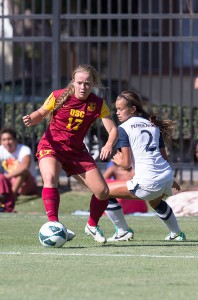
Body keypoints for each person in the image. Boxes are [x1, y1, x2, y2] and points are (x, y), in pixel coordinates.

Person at [22, 64, 118, 244]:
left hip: (76, 152)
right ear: (73, 82)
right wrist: (32, 118)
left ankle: (91, 225)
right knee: (50, 178)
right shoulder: (58, 96)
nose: (83, 87)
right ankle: (54, 224)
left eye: (87, 84)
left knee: (103, 192)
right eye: (80, 83)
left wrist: (109, 143)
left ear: (93, 84)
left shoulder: (97, 104)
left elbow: (112, 129)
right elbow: (42, 112)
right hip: (52, 147)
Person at [105, 90, 186, 242]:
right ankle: (176, 233)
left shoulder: (124, 128)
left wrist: (118, 160)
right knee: (156, 202)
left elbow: (127, 164)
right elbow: (164, 157)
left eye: (121, 109)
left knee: (103, 192)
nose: (117, 113)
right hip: (166, 176)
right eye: (116, 109)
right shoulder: (153, 125)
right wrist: (172, 179)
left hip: (149, 181)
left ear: (133, 109)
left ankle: (122, 231)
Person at [103, 161, 148, 241]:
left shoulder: (135, 168)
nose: (114, 157)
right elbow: (102, 181)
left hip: (133, 198)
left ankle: (122, 231)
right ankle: (122, 230)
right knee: (106, 191)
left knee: (108, 192)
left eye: (118, 153)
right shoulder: (114, 168)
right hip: (127, 197)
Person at [0, 128, 37, 212]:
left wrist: (6, 176)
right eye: (4, 140)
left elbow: (24, 167)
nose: (7, 142)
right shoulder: (1, 149)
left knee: (23, 172)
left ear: (15, 140)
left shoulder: (24, 149)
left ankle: (9, 200)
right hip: (10, 183)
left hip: (27, 184)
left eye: (9, 139)